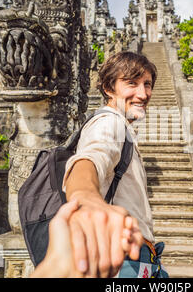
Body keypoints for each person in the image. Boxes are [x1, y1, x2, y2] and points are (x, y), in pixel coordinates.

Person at [62, 51, 168, 278]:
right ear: (109, 89)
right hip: (122, 258)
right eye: (131, 83)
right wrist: (85, 197)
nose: (143, 94)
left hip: (140, 256)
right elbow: (90, 159)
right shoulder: (109, 122)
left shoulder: (124, 127)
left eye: (147, 84)